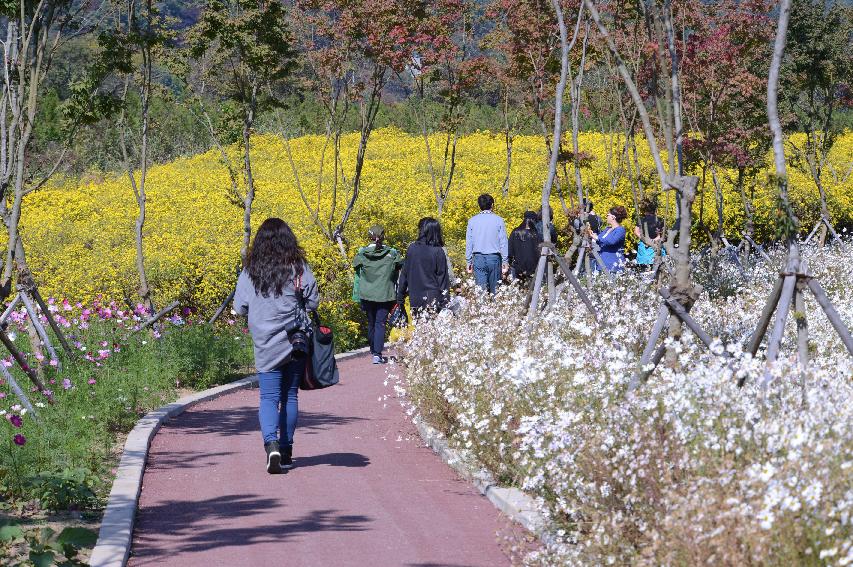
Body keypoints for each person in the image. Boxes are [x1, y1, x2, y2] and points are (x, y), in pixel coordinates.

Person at [234, 218, 319, 474]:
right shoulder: (299, 267)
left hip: (266, 343)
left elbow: (240, 308)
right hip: (295, 341)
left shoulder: (251, 270)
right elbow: (313, 301)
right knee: (290, 395)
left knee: (269, 398)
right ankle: (286, 450)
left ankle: (271, 444)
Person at [353, 225, 403, 364]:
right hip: (385, 294)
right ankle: (377, 354)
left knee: (371, 323)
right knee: (380, 323)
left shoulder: (362, 252)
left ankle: (373, 349)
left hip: (367, 294)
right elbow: (400, 266)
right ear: (383, 236)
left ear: (369, 236)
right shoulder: (392, 253)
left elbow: (356, 266)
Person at [398, 217, 451, 315]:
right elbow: (443, 279)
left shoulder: (412, 248)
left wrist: (400, 297)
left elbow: (404, 275)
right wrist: (445, 303)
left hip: (415, 299)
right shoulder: (438, 251)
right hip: (433, 299)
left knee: (419, 328)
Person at [465, 194, 509, 294]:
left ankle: (481, 308)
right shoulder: (499, 220)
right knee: (495, 291)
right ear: (492, 205)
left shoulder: (472, 221)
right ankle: (495, 308)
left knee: (481, 292)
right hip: (494, 258)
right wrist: (505, 261)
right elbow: (503, 242)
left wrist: (468, 261)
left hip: (478, 258)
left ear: (479, 205)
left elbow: (469, 243)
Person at [590, 205, 628, 273]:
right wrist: (593, 235)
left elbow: (612, 241)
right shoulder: (607, 229)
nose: (606, 217)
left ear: (613, 217)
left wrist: (597, 238)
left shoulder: (620, 230)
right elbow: (600, 241)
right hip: (602, 262)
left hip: (614, 264)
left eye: (608, 215)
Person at [508, 213, 542, 283]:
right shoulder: (537, 233)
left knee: (519, 289)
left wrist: (509, 263)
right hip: (534, 267)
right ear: (533, 220)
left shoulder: (515, 232)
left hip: (518, 267)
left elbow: (510, 250)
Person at [633, 196, 666, 270]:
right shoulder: (660, 220)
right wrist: (654, 241)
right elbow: (661, 235)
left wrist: (644, 240)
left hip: (644, 248)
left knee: (644, 270)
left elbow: (636, 232)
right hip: (656, 246)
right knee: (658, 270)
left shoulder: (641, 220)